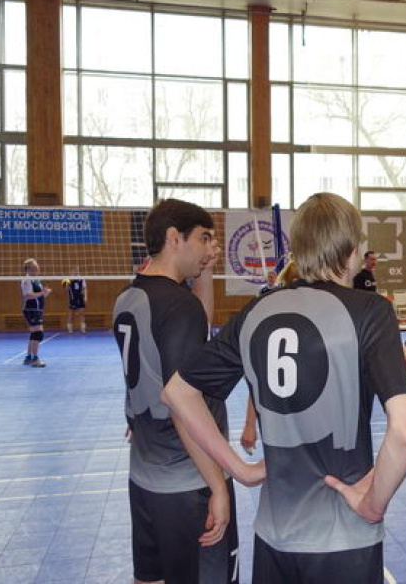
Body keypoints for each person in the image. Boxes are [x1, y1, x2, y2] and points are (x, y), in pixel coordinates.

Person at [162, 192, 406, 584]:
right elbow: (405, 431)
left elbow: (177, 392)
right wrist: (373, 504)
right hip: (343, 538)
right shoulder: (371, 311)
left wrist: (240, 469)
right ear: (353, 250)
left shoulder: (257, 311)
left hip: (275, 537)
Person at [112, 199, 247, 584]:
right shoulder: (178, 307)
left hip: (145, 480)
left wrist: (205, 270)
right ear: (175, 238)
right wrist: (218, 486)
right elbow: (183, 407)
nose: (210, 248)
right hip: (190, 482)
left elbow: (187, 334)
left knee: (150, 578)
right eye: (204, 238)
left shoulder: (129, 297)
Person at [21, 258, 50, 368]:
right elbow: (28, 295)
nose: (37, 269)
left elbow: (39, 295)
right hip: (31, 309)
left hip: (37, 310)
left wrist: (45, 293)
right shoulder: (27, 280)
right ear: (29, 269)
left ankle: (29, 357)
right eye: (34, 267)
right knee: (38, 334)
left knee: (34, 333)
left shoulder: (36, 280)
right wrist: (41, 293)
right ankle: (35, 359)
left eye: (37, 267)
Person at [64, 268, 87, 333]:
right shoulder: (68, 278)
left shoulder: (82, 278)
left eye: (77, 270)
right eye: (74, 270)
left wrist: (85, 297)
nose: (76, 272)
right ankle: (70, 329)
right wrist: (68, 281)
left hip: (80, 297)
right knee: (71, 314)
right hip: (72, 298)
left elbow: (84, 288)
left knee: (81, 313)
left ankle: (82, 328)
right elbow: (65, 287)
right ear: (71, 271)